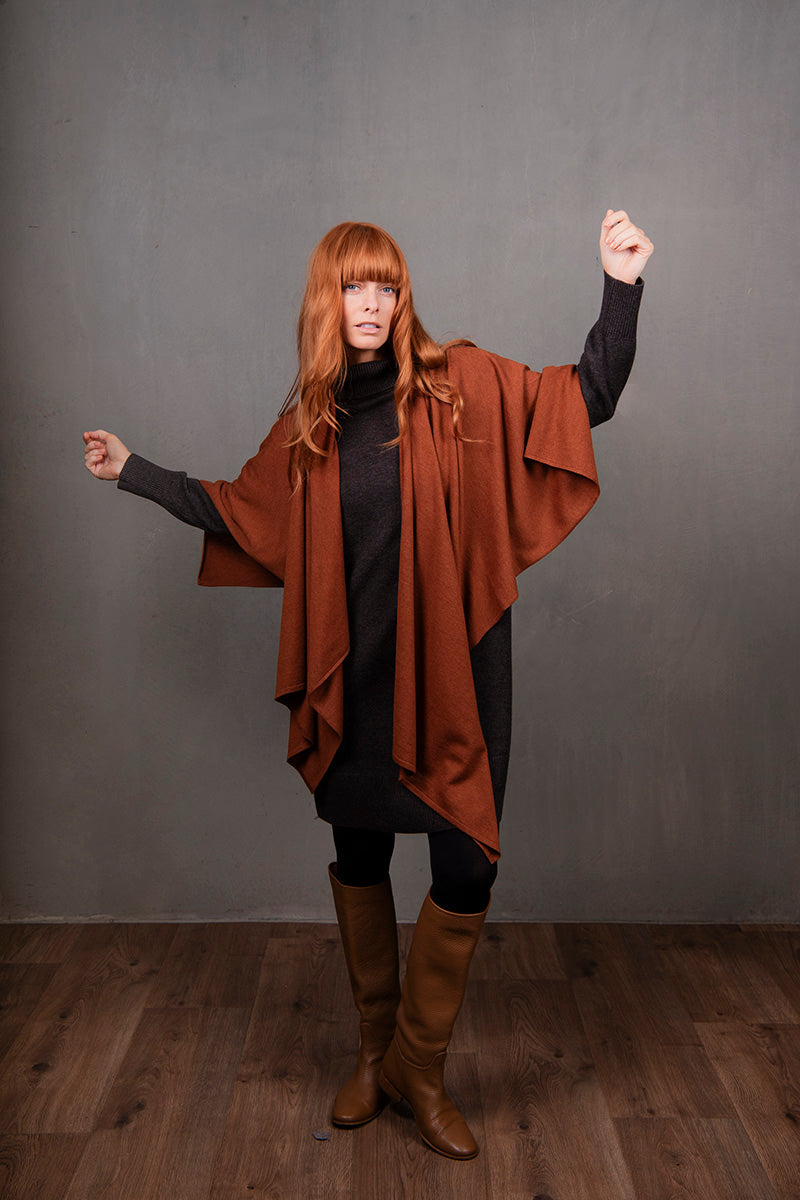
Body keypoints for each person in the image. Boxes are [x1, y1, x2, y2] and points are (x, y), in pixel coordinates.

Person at [83, 210, 653, 1160]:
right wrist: (133, 471)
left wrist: (620, 285)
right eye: (356, 286)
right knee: (361, 860)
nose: (374, 303)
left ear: (402, 298)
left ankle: (419, 1073)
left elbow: (586, 393)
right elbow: (240, 508)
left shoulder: (460, 384)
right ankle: (376, 1050)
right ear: (328, 299)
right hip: (357, 675)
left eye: (387, 286)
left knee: (466, 863)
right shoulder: (310, 423)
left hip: (457, 670)